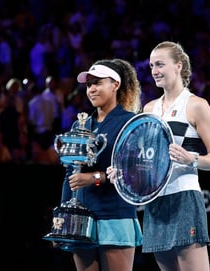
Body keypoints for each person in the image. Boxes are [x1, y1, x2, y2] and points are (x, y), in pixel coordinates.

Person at [108, 41, 210, 271]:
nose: (154, 71)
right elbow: (144, 159)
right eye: (152, 65)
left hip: (184, 198)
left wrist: (191, 159)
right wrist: (122, 173)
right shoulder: (149, 109)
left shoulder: (196, 106)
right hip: (155, 201)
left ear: (178, 66)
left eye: (160, 64)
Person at [58, 58, 143, 271]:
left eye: (98, 83)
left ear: (115, 85)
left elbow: (134, 175)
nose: (92, 89)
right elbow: (71, 172)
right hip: (81, 217)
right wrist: (63, 216)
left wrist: (94, 178)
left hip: (115, 215)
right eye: (89, 85)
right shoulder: (81, 124)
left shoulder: (130, 122)